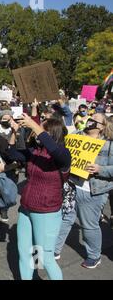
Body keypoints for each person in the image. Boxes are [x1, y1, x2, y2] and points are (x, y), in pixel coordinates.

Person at [8, 114, 71, 280]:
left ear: (52, 133)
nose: (36, 132)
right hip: (26, 210)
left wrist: (34, 124)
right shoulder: (35, 152)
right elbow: (13, 154)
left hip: (46, 213)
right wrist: (15, 132)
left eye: (42, 129)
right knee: (26, 254)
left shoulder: (63, 155)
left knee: (45, 258)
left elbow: (54, 150)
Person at [54, 113, 112, 269]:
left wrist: (101, 169)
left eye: (95, 120)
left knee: (89, 224)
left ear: (102, 126)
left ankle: (94, 256)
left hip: (92, 190)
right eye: (90, 118)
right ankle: (55, 250)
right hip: (71, 185)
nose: (90, 121)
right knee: (66, 218)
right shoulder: (77, 135)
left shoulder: (108, 144)